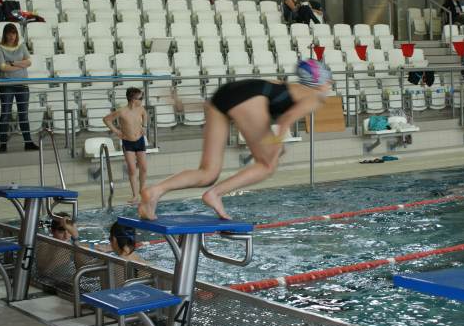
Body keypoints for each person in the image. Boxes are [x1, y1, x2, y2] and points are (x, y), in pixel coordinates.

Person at [139, 59, 332, 221]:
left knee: (208, 173)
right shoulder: (315, 97)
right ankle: (215, 194)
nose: (329, 87)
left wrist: (275, 146)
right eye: (329, 83)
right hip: (249, 99)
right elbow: (285, 120)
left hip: (225, 94)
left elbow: (245, 94)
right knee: (267, 166)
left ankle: (155, 190)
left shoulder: (287, 86)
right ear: (321, 82)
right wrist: (275, 146)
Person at [0, 23, 39, 153]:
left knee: (23, 115)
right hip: (6, 85)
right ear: (5, 35)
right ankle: (3, 144)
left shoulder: (22, 46)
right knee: (5, 114)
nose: (11, 36)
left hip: (22, 85)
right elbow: (3, 67)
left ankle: (28, 142)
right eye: (9, 33)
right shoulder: (0, 48)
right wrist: (21, 65)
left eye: (13, 33)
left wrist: (13, 63)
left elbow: (29, 62)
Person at [103, 87, 148, 204]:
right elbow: (106, 119)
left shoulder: (140, 109)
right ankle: (135, 195)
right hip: (128, 142)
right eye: (140, 98)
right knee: (132, 169)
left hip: (140, 140)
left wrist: (144, 126)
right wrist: (116, 131)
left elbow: (145, 115)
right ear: (133, 99)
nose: (142, 100)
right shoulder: (122, 111)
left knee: (143, 167)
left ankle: (142, 190)